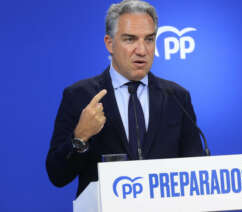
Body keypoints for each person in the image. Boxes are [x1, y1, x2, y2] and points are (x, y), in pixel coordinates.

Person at [46, 0, 204, 197]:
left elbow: (198, 171)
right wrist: (80, 137)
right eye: (130, 39)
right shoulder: (79, 96)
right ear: (109, 43)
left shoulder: (177, 97)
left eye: (149, 39)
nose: (142, 50)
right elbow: (57, 175)